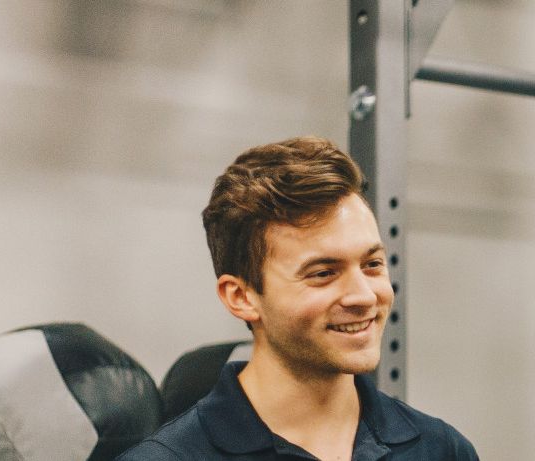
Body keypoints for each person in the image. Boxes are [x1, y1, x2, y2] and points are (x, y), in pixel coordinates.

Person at [116, 137, 478, 460]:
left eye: (372, 264)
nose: (364, 296)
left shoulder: (441, 449)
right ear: (241, 296)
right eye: (323, 273)